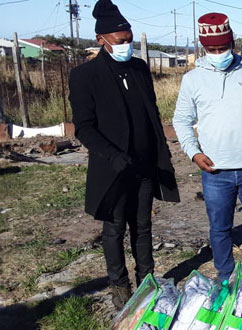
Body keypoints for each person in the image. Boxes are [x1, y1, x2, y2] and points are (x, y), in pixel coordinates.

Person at [69, 0, 180, 310]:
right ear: (102, 40)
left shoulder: (140, 68)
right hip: (113, 167)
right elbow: (85, 127)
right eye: (121, 41)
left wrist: (160, 153)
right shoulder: (85, 76)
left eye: (129, 40)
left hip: (144, 163)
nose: (127, 46)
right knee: (115, 228)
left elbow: (152, 113)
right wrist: (113, 155)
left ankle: (148, 282)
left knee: (142, 227)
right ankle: (120, 286)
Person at [173, 12, 242, 281]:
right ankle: (224, 276)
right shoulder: (193, 80)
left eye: (223, 47)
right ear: (203, 47)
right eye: (212, 49)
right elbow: (182, 120)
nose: (218, 53)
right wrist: (193, 152)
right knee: (220, 228)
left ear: (232, 43)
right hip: (215, 172)